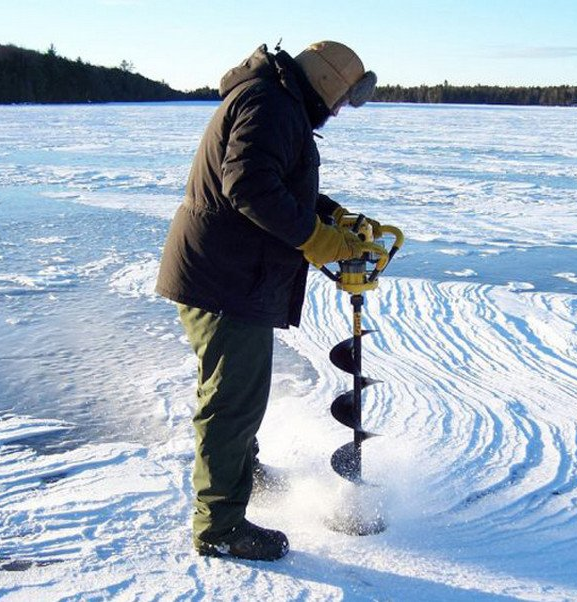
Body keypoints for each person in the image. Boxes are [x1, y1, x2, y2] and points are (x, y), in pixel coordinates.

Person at [155, 40, 386, 561]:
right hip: (223, 278)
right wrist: (316, 238)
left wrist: (332, 216)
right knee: (232, 401)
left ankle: (245, 475)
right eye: (346, 96)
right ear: (328, 81)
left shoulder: (276, 101)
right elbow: (250, 187)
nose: (343, 108)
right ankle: (219, 527)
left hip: (227, 273)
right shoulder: (272, 104)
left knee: (237, 392)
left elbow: (277, 180)